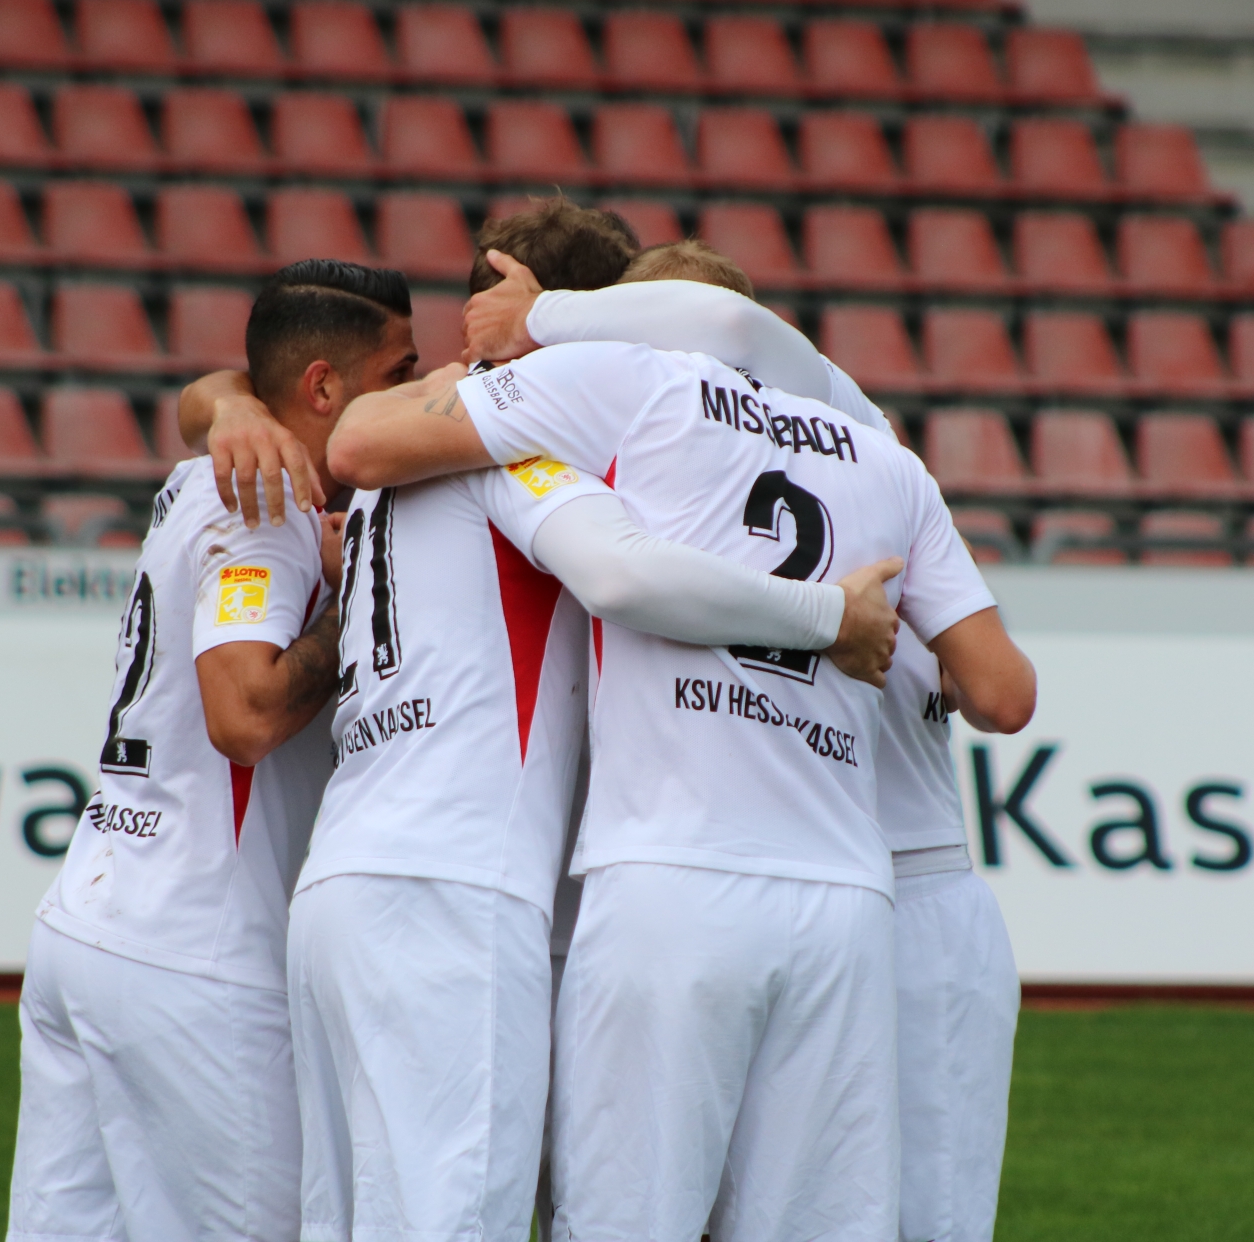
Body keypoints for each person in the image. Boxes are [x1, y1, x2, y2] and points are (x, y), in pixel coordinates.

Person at [176, 202, 904, 1242]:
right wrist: (826, 614)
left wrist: (222, 399)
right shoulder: (511, 446)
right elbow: (622, 572)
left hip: (347, 880)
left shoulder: (406, 445)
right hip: (457, 889)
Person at [324, 295, 1013, 1242]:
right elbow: (1004, 694)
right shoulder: (880, 451)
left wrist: (536, 326)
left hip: (656, 873)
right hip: (848, 892)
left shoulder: (625, 383)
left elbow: (362, 442)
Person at [5, 259, 419, 1242]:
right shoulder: (269, 499)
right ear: (323, 386)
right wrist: (354, 599)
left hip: (90, 921)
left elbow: (212, 399)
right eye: (398, 373)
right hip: (198, 956)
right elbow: (245, 714)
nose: (411, 395)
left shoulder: (206, 469)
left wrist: (227, 400)